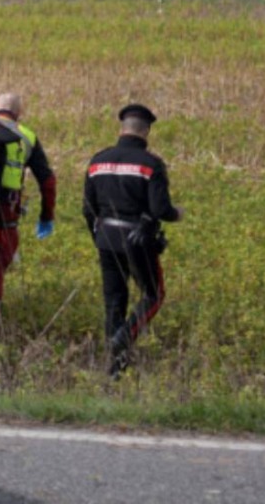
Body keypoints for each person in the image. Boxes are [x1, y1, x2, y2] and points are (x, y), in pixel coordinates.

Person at [83, 103, 183, 377]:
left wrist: (98, 237)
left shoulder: (97, 161)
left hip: (105, 238)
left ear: (121, 128)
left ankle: (114, 369)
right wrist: (177, 214)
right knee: (153, 294)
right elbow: (161, 209)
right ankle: (124, 338)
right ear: (147, 131)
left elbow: (87, 209)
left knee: (114, 300)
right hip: (137, 240)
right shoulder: (151, 165)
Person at [0, 93, 58, 340]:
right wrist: (46, 215)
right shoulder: (27, 136)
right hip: (4, 219)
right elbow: (47, 180)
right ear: (19, 112)